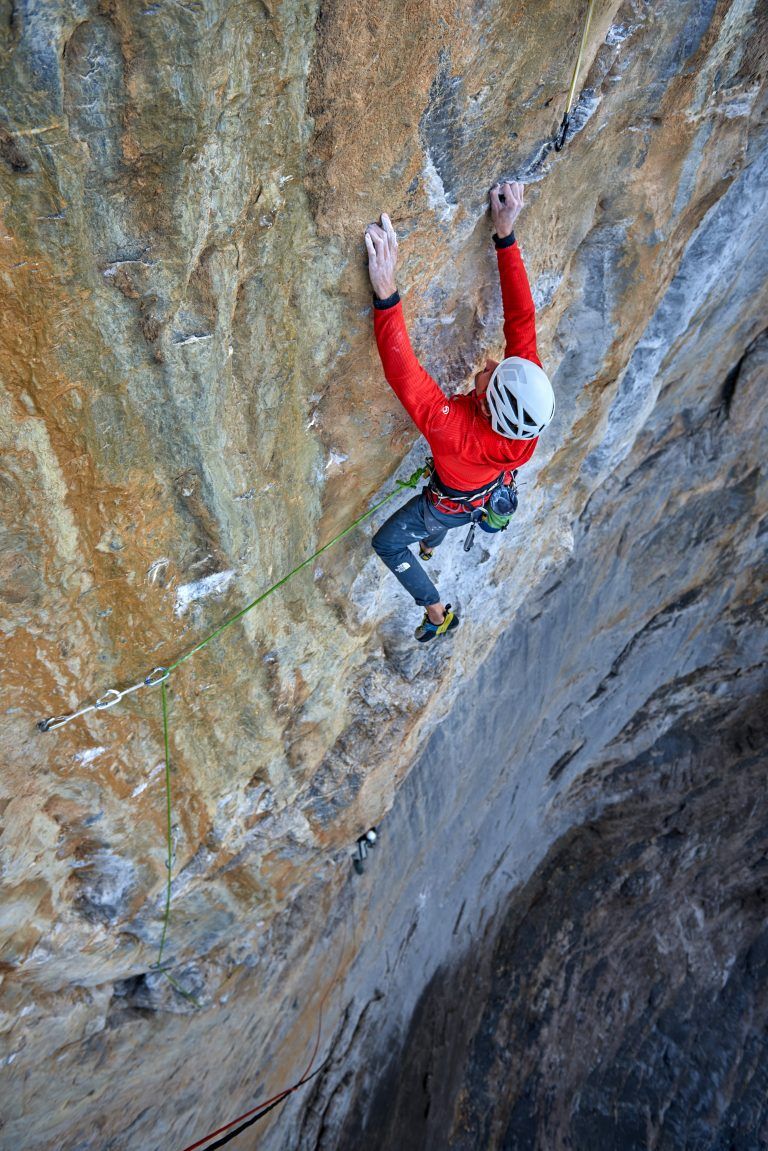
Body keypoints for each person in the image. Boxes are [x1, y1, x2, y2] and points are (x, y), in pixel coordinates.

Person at [364, 181, 555, 642]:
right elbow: (522, 320)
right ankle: (431, 545)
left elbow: (403, 373)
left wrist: (386, 292)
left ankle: (435, 613)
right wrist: (505, 234)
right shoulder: (524, 406)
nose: (490, 364)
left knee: (387, 542)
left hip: (448, 502)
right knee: (442, 519)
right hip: (479, 492)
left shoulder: (458, 434)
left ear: (489, 409)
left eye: (490, 376)